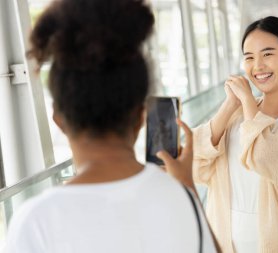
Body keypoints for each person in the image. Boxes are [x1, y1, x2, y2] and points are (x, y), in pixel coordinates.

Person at [3, 0, 218, 252]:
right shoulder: (182, 198)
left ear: (59, 120)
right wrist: (187, 187)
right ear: (140, 116)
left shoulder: (36, 220)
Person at [192, 16, 278, 253]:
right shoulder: (235, 113)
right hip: (218, 243)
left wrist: (247, 101)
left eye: (267, 54)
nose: (257, 66)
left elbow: (268, 158)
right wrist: (228, 107)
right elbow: (193, 165)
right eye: (249, 57)